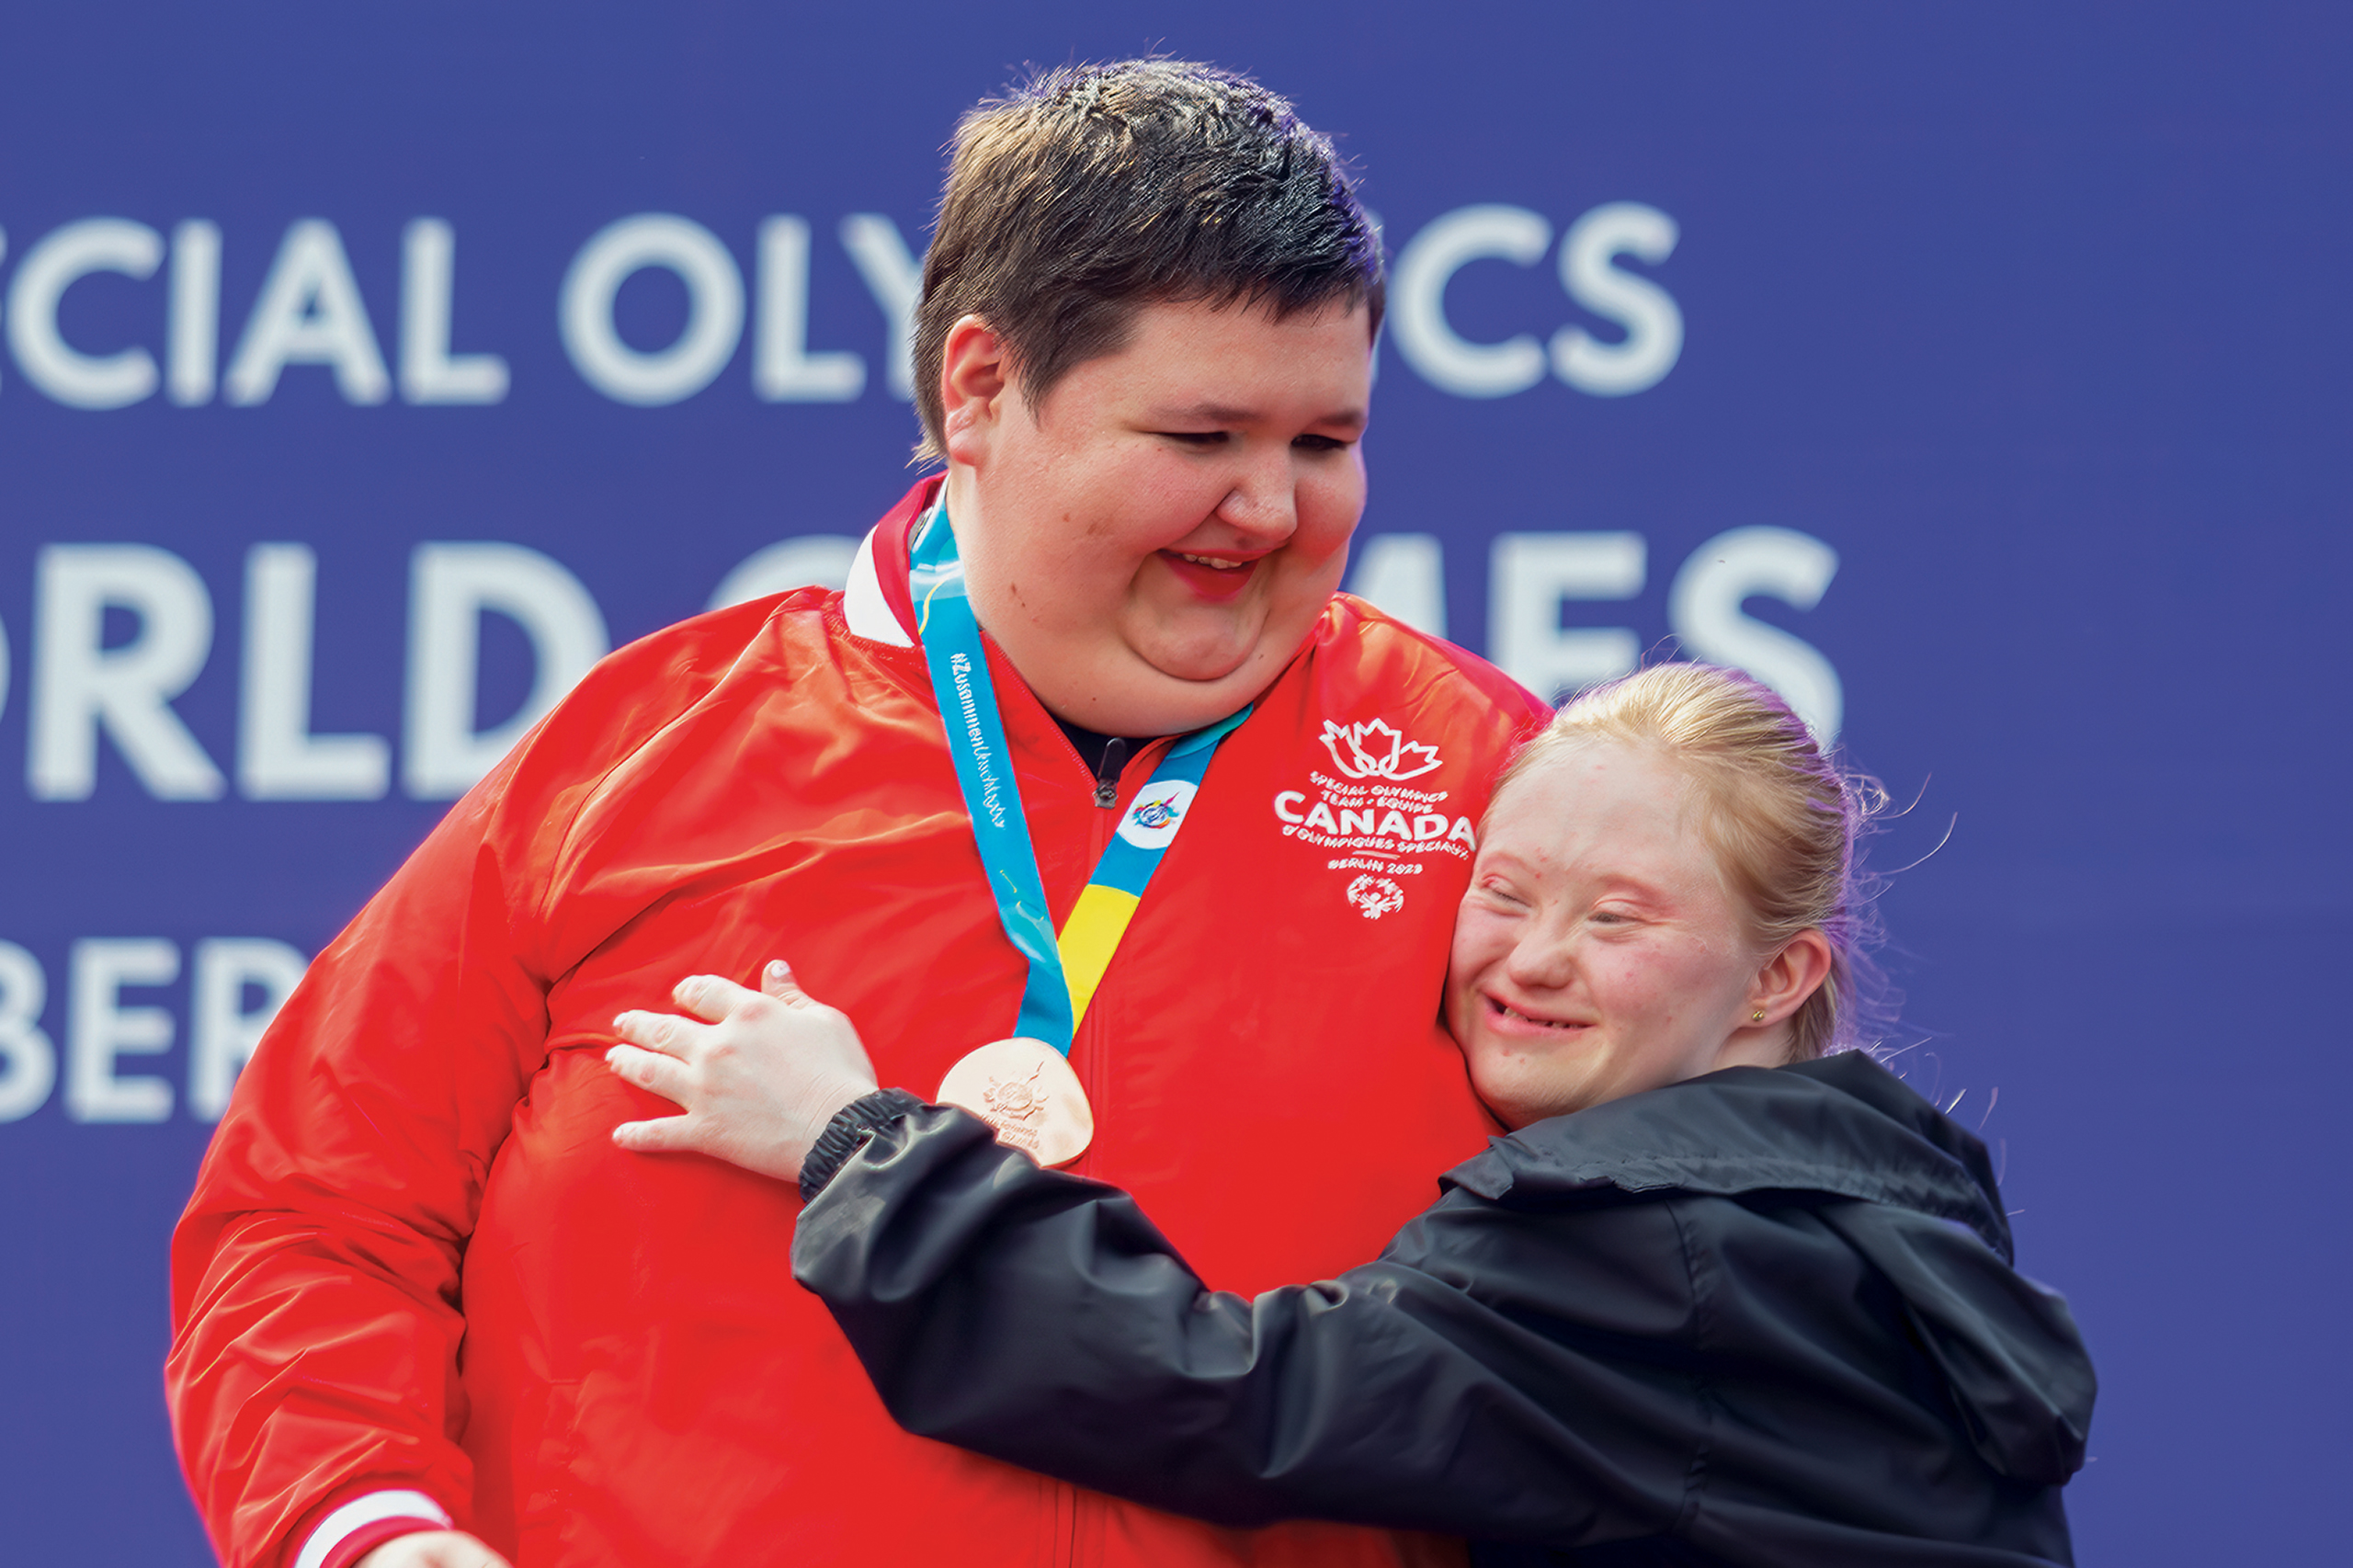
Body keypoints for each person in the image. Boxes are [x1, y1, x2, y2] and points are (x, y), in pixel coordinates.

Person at [166, 61, 1547, 1568]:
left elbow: (1692, 1252)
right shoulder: (643, 755)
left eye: (1323, 444)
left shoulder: (1486, 775)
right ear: (979, 387)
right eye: (1202, 440)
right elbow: (310, 1220)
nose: (1271, 511)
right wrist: (364, 1531)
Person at [605, 664, 2097, 1568]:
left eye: (1619, 916)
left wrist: (856, 1142)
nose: (1531, 956)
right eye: (1503, 893)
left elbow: (1221, 1392)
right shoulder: (1847, 1209)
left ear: (1782, 974)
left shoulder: (1681, 1250)